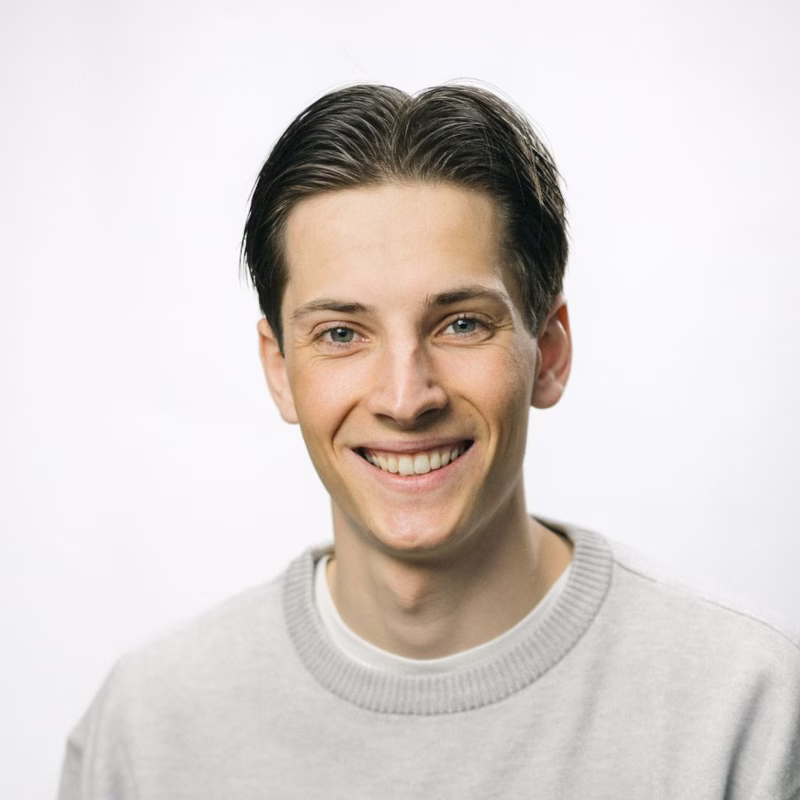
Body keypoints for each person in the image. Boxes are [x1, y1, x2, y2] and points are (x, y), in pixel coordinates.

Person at [59, 84, 800, 799]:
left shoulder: (749, 705)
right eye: (341, 334)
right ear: (280, 371)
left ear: (549, 351)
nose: (405, 398)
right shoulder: (148, 728)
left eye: (462, 324)